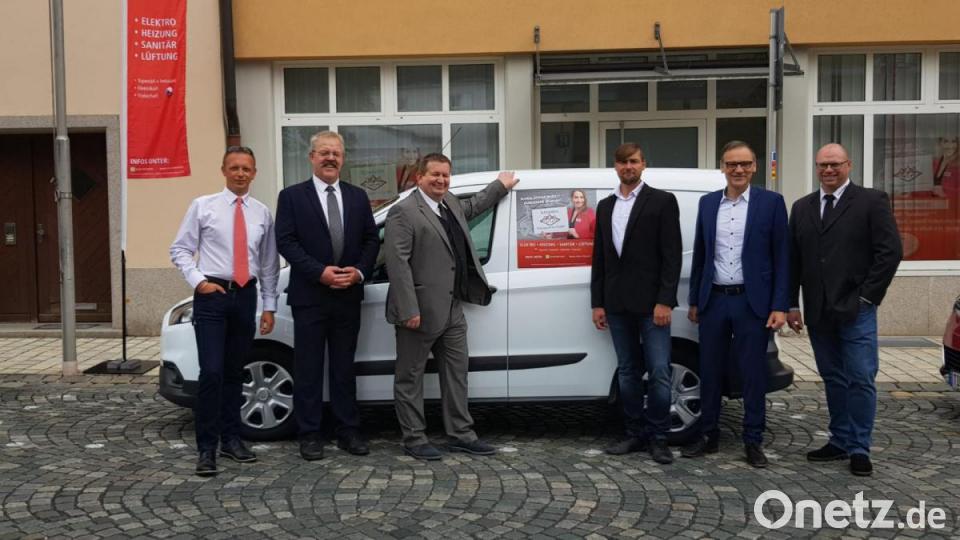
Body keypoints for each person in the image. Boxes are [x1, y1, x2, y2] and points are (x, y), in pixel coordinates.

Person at [384, 153, 518, 460]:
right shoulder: (404, 211)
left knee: (457, 375)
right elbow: (397, 263)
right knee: (410, 377)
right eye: (435, 174)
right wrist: (408, 309)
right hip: (418, 311)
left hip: (452, 309)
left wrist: (499, 186)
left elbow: (473, 207)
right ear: (419, 177)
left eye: (445, 175)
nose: (441, 180)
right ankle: (414, 438)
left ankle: (461, 434)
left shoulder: (450, 203)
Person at [787, 143, 902, 476]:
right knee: (832, 377)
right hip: (818, 310)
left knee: (861, 378)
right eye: (823, 165)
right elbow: (794, 260)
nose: (828, 170)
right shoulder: (802, 207)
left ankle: (859, 448)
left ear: (848, 165)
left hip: (857, 308)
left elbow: (890, 252)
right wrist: (792, 303)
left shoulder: (871, 201)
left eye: (835, 164)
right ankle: (839, 439)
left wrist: (868, 297)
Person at [170, 146, 280, 477]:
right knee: (212, 372)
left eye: (246, 168)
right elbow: (180, 249)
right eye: (234, 167)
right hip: (212, 296)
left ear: (254, 173)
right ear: (224, 170)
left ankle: (232, 440)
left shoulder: (262, 213)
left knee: (234, 372)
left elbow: (269, 263)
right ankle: (206, 448)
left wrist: (269, 305)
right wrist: (199, 281)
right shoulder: (203, 206)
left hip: (245, 296)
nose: (240, 173)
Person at [683, 140, 790, 468]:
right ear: (723, 167)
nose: (738, 169)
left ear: (754, 166)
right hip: (714, 300)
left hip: (751, 303)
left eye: (744, 164)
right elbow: (702, 255)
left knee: (752, 374)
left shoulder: (771, 203)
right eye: (732, 164)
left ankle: (753, 440)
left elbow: (782, 257)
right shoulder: (707, 203)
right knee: (710, 371)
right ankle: (709, 435)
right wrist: (694, 299)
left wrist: (780, 305)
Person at [275, 131, 379, 461]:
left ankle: (348, 429)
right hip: (310, 295)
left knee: (343, 367)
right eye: (324, 153)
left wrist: (358, 272)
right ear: (312, 157)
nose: (330, 158)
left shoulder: (358, 196)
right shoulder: (291, 196)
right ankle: (309, 433)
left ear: (343, 159)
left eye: (336, 153)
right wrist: (319, 272)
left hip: (348, 295)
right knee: (308, 367)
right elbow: (286, 241)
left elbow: (371, 240)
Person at [590, 143, 682, 464]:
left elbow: (672, 256)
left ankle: (659, 437)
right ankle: (634, 433)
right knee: (628, 372)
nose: (627, 166)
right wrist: (597, 303)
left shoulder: (662, 201)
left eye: (633, 161)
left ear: (643, 164)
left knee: (658, 372)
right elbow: (600, 259)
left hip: (652, 305)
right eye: (622, 162)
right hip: (616, 305)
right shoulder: (605, 206)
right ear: (615, 166)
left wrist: (665, 301)